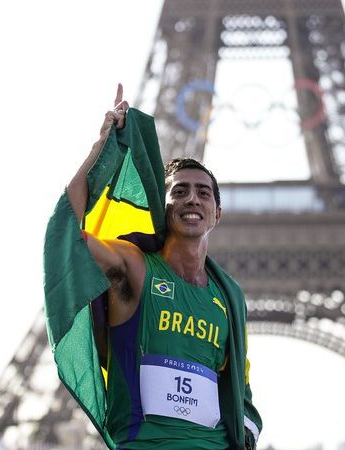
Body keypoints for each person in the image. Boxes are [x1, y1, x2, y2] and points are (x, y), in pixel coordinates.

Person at [45, 84, 262, 449]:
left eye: (202, 192)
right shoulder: (135, 268)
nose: (191, 198)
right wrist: (100, 151)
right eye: (178, 191)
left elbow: (238, 387)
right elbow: (71, 233)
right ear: (164, 208)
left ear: (217, 214)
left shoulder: (229, 298)